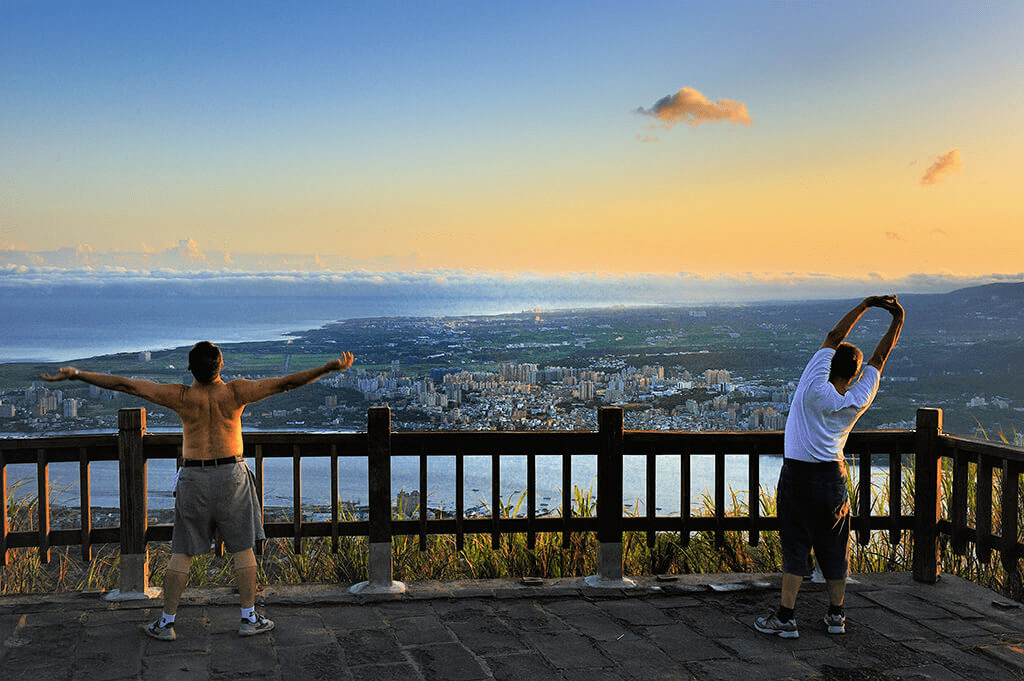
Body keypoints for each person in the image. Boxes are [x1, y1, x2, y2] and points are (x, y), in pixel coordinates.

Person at [41, 341, 355, 641]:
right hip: (231, 475)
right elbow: (285, 384)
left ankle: (166, 623)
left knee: (182, 552)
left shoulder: (180, 396)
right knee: (243, 547)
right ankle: (248, 618)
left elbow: (127, 385)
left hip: (193, 476)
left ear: (190, 370)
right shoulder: (235, 392)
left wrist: (79, 374)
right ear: (222, 366)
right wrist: (328, 367)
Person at [755, 295, 904, 638]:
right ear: (854, 374)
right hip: (833, 478)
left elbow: (834, 336)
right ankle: (836, 615)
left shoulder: (811, 389)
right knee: (835, 546)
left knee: (795, 545)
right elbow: (880, 358)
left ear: (828, 364)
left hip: (798, 475)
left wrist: (867, 304)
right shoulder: (857, 398)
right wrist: (897, 319)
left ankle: (785, 617)